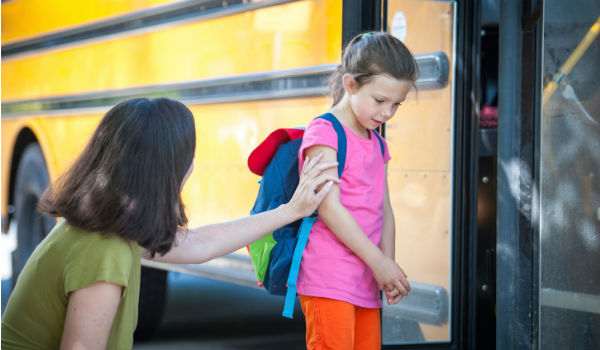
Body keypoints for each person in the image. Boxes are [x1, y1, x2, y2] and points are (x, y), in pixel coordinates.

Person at [0, 98, 339, 350]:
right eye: (188, 157)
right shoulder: (105, 250)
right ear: (168, 171)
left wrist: (291, 210)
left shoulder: (107, 223)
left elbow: (201, 244)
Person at [296, 32, 418, 350]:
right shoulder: (324, 132)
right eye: (379, 101)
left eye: (396, 104)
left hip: (366, 278)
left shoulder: (378, 143)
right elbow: (328, 208)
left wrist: (387, 267)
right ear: (350, 84)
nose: (387, 113)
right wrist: (379, 262)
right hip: (329, 277)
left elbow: (384, 209)